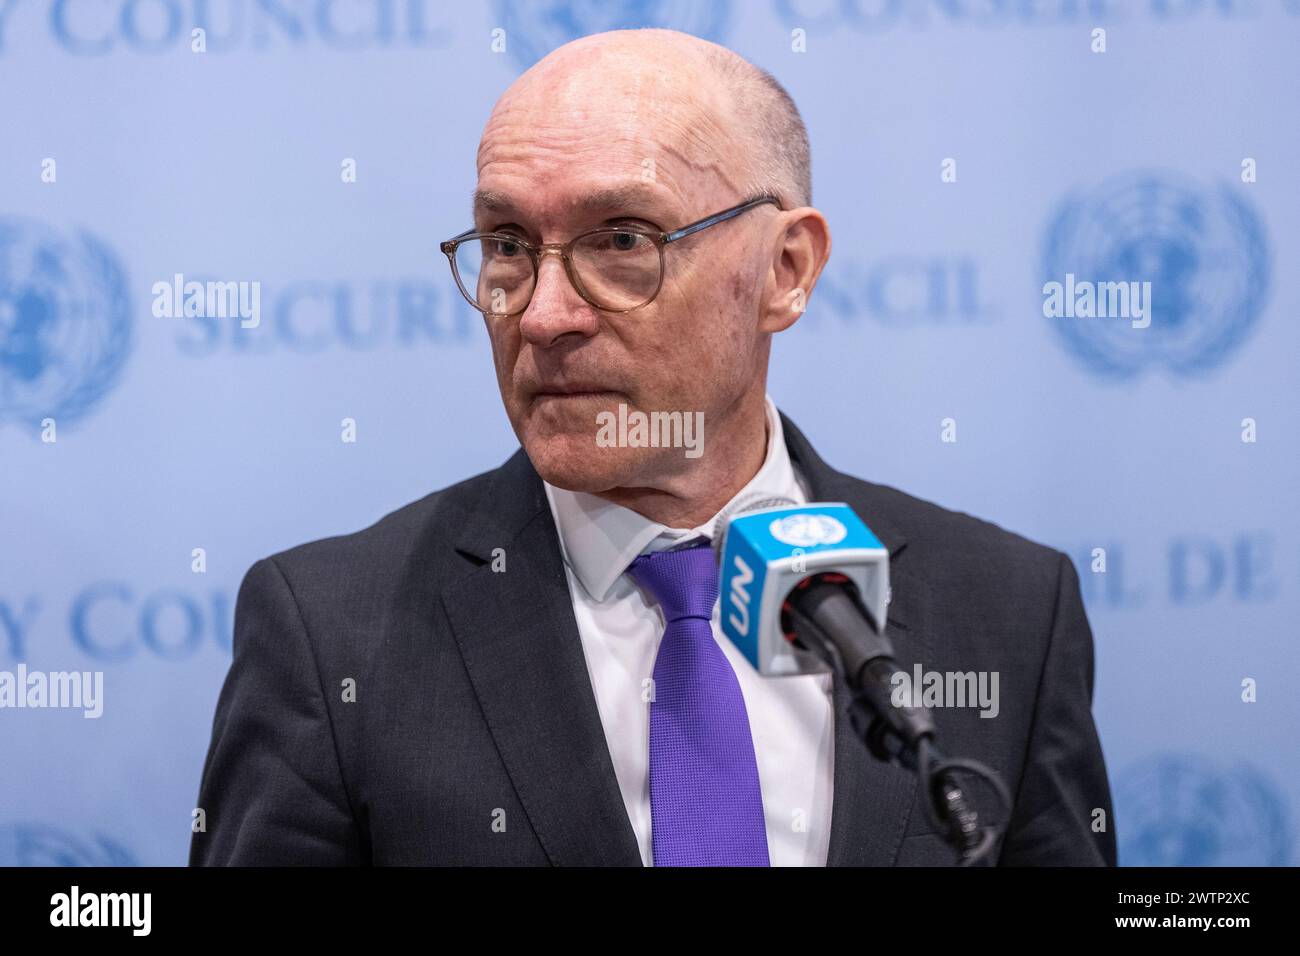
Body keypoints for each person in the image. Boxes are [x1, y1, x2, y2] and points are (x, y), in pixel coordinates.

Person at [190, 28, 1115, 867]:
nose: (544, 315)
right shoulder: (330, 636)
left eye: (623, 238)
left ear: (785, 272)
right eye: (508, 244)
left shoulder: (1007, 610)